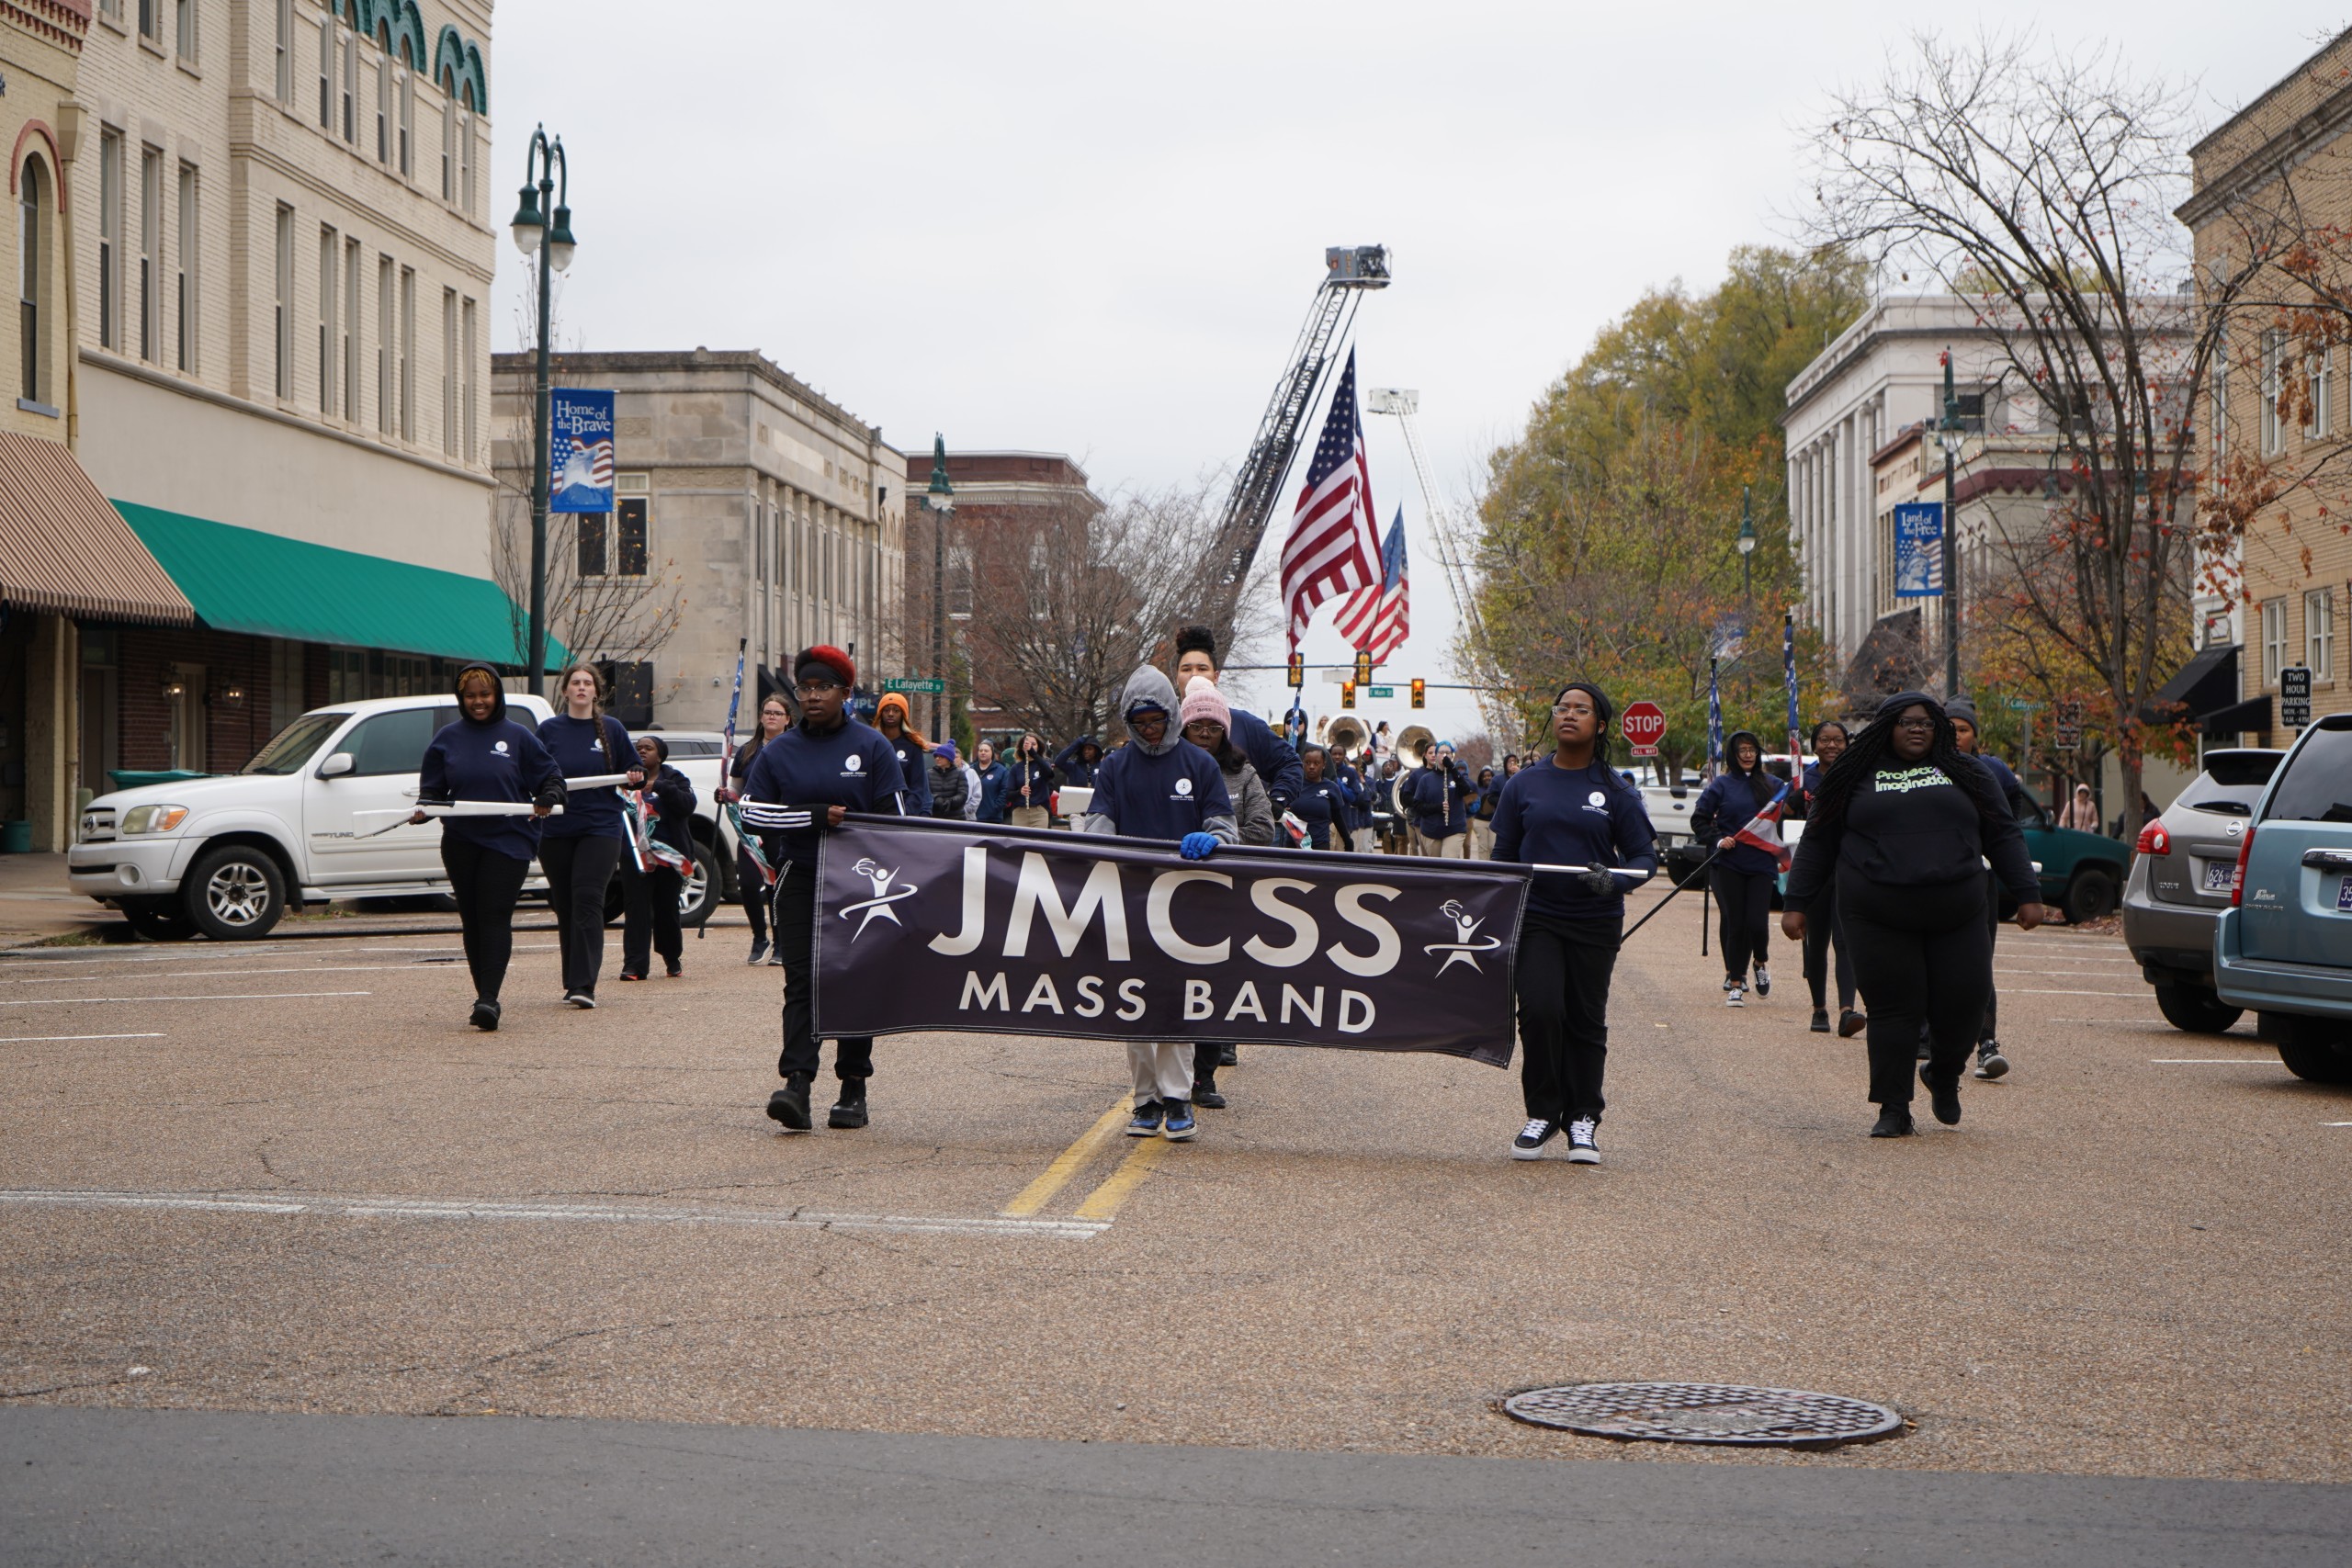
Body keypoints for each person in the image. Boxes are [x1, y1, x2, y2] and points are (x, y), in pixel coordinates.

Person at [1781, 693, 2044, 1138]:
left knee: (1967, 999)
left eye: (1926, 721)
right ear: (1886, 727)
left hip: (1957, 911)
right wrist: (1796, 903)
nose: (1917, 729)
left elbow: (2002, 832)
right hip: (1877, 913)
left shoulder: (1969, 772)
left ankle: (1943, 1073)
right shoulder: (1851, 775)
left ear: (1939, 727)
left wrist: (2026, 892)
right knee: (1892, 1009)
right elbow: (1818, 841)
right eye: (1906, 722)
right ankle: (1893, 1106)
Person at [740, 646, 908, 1134]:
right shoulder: (779, 750)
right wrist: (811, 816)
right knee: (801, 981)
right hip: (801, 874)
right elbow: (751, 812)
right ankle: (796, 1084)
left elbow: (894, 821)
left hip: (860, 884)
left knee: (855, 978)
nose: (812, 697)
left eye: (822, 688)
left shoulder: (872, 747)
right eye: (805, 689)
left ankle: (853, 1086)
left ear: (845, 693)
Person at [1492, 682, 1659, 1163]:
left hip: (1594, 921)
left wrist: (1617, 881)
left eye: (1581, 710)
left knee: (1586, 1021)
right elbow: (1504, 856)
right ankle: (1543, 1113)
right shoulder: (1524, 783)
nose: (1569, 715)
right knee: (1541, 1012)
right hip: (1537, 918)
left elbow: (1643, 858)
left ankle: (1583, 1118)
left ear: (1599, 725)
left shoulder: (1616, 790)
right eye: (1562, 707)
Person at [1079, 666, 1238, 1142]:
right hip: (1129, 899)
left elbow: (1224, 826)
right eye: (1140, 722)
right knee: (1134, 1007)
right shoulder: (1115, 766)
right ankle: (1145, 1100)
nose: (1150, 730)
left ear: (1171, 714)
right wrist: (1098, 843)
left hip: (1184, 903)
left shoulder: (1199, 764)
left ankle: (1178, 1098)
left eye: (1157, 720)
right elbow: (1097, 824)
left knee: (1174, 1004)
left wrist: (1209, 839)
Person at [415, 666, 562, 1031]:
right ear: (461, 699)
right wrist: (425, 809)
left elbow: (550, 776)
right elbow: (432, 791)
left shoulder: (518, 736)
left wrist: (548, 795)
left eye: (485, 694)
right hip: (462, 840)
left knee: (494, 914)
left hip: (508, 839)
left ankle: (489, 999)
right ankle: (484, 997)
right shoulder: (447, 739)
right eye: (470, 696)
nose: (478, 702)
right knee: (473, 918)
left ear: (497, 695)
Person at [1179, 677, 1272, 1110]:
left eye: (1212, 726)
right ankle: (1170, 1079)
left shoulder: (1244, 772)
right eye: (1196, 724)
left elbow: (1263, 829)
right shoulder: (1168, 767)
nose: (1203, 732)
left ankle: (1205, 1076)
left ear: (1224, 730)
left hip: (1225, 894)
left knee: (1215, 988)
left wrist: (1220, 844)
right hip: (1173, 892)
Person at [537, 665, 641, 1008]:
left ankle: (584, 985)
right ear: (565, 690)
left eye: (587, 683)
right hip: (556, 828)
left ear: (596, 691)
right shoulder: (548, 730)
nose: (581, 688)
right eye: (575, 683)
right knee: (565, 903)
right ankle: (572, 979)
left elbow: (633, 771)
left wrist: (634, 776)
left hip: (600, 826)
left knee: (587, 898)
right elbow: (532, 773)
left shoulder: (611, 729)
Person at [1945, 696, 2031, 1081]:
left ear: (1974, 736)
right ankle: (1931, 1039)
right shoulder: (1925, 769)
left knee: (1979, 965)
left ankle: (1987, 1045)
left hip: (1980, 880)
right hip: (1934, 881)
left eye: (1962, 730)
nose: (1955, 736)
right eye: (1948, 729)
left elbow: (2013, 812)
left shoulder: (1992, 770)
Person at [1171, 626, 1305, 809]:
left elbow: (1289, 762)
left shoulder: (1244, 724)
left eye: (1202, 669)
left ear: (1215, 677)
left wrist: (1275, 801)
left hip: (1235, 835)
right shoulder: (1165, 727)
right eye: (1186, 669)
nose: (1194, 675)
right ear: (1176, 676)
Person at [1692, 729, 1779, 1007]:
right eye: (1742, 750)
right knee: (1736, 923)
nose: (1748, 754)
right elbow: (1700, 819)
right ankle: (1737, 980)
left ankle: (1760, 962)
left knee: (1757, 923)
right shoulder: (1721, 786)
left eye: (1753, 749)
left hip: (1762, 863)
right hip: (1730, 863)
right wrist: (1718, 838)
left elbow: (1795, 806)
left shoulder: (1773, 784)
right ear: (1733, 754)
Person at [1797, 719, 1864, 1039]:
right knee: (1816, 942)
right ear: (1814, 745)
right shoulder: (1802, 780)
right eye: (1825, 740)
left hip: (1848, 868)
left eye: (1838, 740)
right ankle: (1819, 1008)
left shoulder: (1857, 776)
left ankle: (1846, 1010)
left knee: (1845, 941)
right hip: (1815, 872)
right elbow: (1783, 820)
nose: (1832, 746)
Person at [618, 734, 696, 983]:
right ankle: (634, 965)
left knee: (667, 909)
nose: (642, 752)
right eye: (638, 748)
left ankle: (672, 959)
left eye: (648, 748)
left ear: (660, 755)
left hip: (669, 856)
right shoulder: (625, 780)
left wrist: (660, 787)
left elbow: (687, 805)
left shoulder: (674, 779)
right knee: (636, 909)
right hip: (637, 856)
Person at [726, 695, 793, 966]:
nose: (772, 717)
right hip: (752, 828)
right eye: (767, 712)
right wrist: (726, 794)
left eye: (778, 713)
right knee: (750, 885)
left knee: (777, 886)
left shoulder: (795, 748)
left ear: (788, 718)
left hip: (783, 825)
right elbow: (736, 787)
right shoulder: (747, 750)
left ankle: (781, 942)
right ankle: (759, 937)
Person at [873, 693, 933, 819]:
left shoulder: (912, 746)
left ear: (903, 715)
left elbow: (918, 786)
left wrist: (905, 813)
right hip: (874, 813)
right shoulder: (872, 743)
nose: (890, 714)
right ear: (880, 714)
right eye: (886, 710)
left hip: (904, 815)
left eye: (896, 710)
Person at [1408, 740, 1471, 858]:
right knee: (1436, 867)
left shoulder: (1457, 776)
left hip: (1454, 828)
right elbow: (1417, 806)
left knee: (1449, 862)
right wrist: (1438, 808)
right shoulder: (1425, 779)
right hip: (1431, 830)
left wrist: (1452, 768)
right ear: (1436, 756)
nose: (1444, 755)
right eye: (1441, 752)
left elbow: (1466, 791)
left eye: (1448, 752)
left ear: (1452, 756)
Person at [1006, 732, 1057, 829]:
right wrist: (1019, 792)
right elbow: (1008, 794)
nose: (1030, 746)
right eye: (1027, 744)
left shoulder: (1044, 763)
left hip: (1039, 812)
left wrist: (1033, 754)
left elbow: (1050, 774)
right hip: (1020, 812)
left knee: (1038, 842)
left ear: (1039, 747)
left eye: (1033, 744)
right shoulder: (1015, 768)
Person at [1373, 757, 1408, 854]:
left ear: (1393, 769)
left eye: (1390, 766)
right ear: (1383, 770)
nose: (1388, 767)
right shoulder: (1379, 783)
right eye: (1386, 766)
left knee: (1398, 837)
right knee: (1386, 838)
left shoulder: (1398, 781)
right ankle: (1388, 857)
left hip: (1396, 813)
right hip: (1384, 814)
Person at [970, 739, 1010, 825]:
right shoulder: (970, 770)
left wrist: (995, 808)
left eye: (986, 751)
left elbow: (1005, 792)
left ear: (992, 753)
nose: (983, 753)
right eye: (981, 751)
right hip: (972, 817)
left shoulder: (1001, 771)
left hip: (993, 818)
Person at [928, 743, 970, 819]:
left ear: (949, 759)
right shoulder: (929, 774)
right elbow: (925, 793)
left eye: (941, 756)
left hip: (956, 818)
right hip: (935, 817)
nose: (937, 758)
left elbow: (963, 794)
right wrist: (936, 799)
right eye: (936, 756)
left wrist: (950, 802)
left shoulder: (959, 774)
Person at [1468, 766, 1498, 859]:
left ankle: (1493, 866)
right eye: (1484, 776)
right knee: (1483, 847)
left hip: (1494, 822)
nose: (1487, 778)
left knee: (1492, 847)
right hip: (1480, 822)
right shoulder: (1477, 789)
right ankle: (1484, 868)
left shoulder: (1496, 790)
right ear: (1481, 778)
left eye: (1489, 776)